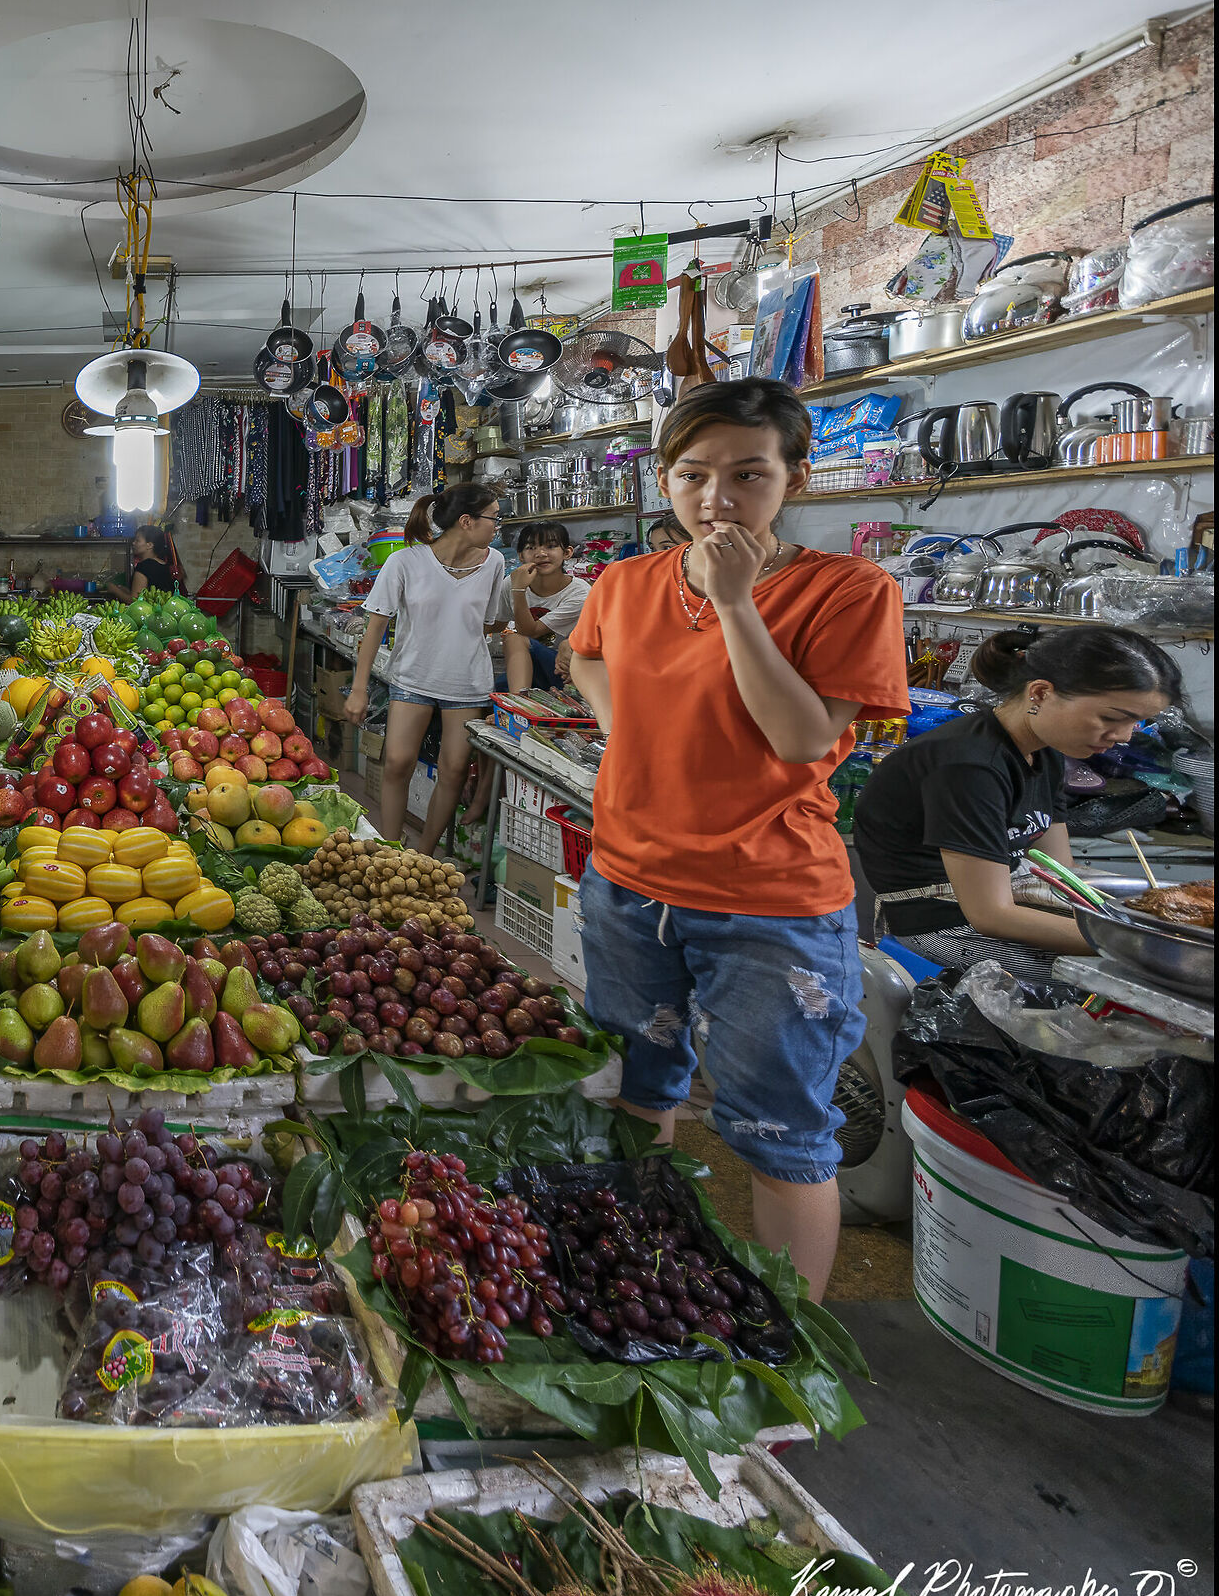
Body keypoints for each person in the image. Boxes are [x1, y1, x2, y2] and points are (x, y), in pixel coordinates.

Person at [564, 378, 909, 1303]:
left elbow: (802, 738)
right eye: (693, 474)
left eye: (748, 473)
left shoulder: (850, 590)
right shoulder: (628, 582)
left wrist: (736, 603)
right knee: (641, 1089)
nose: (717, 498)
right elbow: (584, 653)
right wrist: (625, 730)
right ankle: (635, 1271)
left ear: (793, 476)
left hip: (771, 905)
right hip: (629, 885)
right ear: (666, 480)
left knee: (782, 1135)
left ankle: (786, 1346)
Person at [854, 626, 1182, 979]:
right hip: (941, 922)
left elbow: (1058, 871)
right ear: (1040, 693)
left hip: (1007, 895)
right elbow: (990, 914)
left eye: (1138, 722)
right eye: (1112, 718)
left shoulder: (1045, 752)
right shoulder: (969, 765)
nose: (1123, 737)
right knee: (1131, 975)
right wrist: (1138, 946)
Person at [343, 484, 510, 854]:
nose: (497, 526)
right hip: (413, 677)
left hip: (467, 683)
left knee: (452, 772)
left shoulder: (495, 563)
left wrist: (520, 598)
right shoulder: (405, 562)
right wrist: (359, 689)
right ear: (467, 521)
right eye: (493, 517)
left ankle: (424, 857)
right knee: (397, 763)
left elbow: (486, 623)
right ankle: (391, 850)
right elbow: (375, 628)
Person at [503, 521, 590, 693]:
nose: (541, 554)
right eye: (531, 548)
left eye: (550, 547)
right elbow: (496, 623)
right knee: (496, 685)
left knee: (515, 638)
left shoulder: (579, 592)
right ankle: (517, 701)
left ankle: (518, 706)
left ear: (567, 553)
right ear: (520, 555)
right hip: (528, 669)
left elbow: (529, 632)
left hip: (566, 670)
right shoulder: (511, 583)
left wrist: (519, 591)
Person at [104, 524, 180, 602]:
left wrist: (114, 590)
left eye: (137, 540)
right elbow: (146, 593)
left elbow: (135, 600)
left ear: (149, 545)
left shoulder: (144, 567)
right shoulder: (163, 564)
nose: (133, 543)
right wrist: (126, 591)